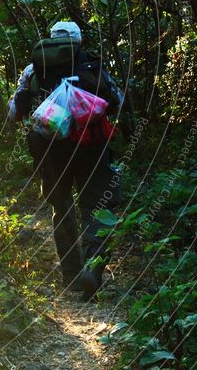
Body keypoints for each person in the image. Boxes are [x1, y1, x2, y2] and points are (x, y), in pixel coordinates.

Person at [9, 21, 124, 299]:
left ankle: (71, 276)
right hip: (91, 148)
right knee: (96, 210)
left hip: (50, 152)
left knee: (62, 209)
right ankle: (93, 274)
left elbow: (14, 112)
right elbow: (117, 99)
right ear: (79, 41)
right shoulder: (91, 64)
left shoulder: (33, 70)